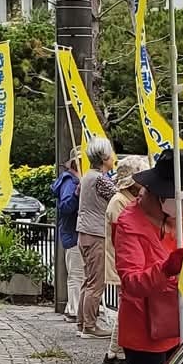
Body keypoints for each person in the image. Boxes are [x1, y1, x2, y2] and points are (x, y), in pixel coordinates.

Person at [110, 146, 183, 364]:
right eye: (181, 197)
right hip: (145, 332)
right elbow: (132, 281)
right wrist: (166, 269)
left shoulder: (180, 220)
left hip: (181, 321)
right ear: (162, 195)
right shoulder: (129, 224)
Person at [102, 155, 150, 333]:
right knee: (127, 306)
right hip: (123, 261)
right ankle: (115, 351)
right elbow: (121, 235)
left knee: (128, 306)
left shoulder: (128, 199)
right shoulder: (119, 201)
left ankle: (115, 351)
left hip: (129, 261)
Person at [75, 137, 117, 333]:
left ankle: (82, 322)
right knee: (96, 282)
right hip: (96, 232)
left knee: (88, 280)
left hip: (84, 232)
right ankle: (90, 326)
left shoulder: (87, 176)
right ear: (104, 157)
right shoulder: (100, 179)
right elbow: (118, 196)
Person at [53, 154, 82, 314]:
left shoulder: (71, 180)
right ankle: (74, 309)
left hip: (72, 232)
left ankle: (74, 307)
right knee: (77, 273)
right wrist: (77, 194)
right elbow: (65, 207)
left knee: (77, 272)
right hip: (73, 232)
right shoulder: (70, 182)